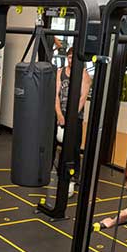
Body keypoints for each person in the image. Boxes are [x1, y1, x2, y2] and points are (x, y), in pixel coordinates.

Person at [55, 47, 92, 197]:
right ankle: (59, 172)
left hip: (75, 117)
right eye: (69, 57)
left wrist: (70, 117)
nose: (70, 60)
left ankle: (75, 176)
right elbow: (56, 95)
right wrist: (58, 114)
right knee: (58, 146)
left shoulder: (84, 75)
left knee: (75, 148)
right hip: (60, 114)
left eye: (73, 58)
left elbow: (83, 98)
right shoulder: (60, 72)